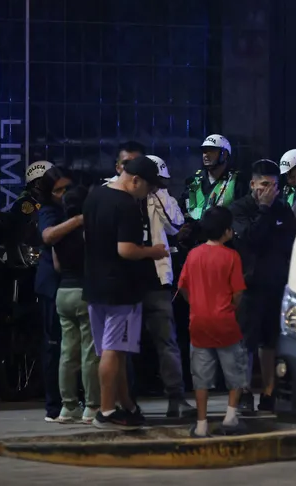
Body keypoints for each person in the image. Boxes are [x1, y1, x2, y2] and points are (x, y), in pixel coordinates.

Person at [106, 143, 195, 417]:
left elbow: (176, 225)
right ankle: (126, 401)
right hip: (123, 278)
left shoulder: (155, 193)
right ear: (118, 167)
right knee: (123, 345)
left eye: (139, 163)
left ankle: (176, 398)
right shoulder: (109, 191)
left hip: (155, 278)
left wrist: (158, 192)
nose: (134, 169)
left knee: (166, 340)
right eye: (127, 163)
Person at [83, 156, 170, 429]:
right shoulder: (127, 206)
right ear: (136, 180)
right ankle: (106, 411)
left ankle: (126, 405)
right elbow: (126, 249)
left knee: (112, 351)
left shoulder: (94, 196)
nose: (148, 194)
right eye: (148, 188)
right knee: (113, 349)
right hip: (120, 289)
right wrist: (153, 252)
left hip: (94, 285)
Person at [230, 159, 296, 414]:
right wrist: (264, 210)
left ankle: (269, 392)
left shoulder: (283, 209)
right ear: (252, 184)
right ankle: (244, 391)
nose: (270, 191)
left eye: (275, 186)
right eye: (265, 185)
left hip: (276, 285)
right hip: (249, 286)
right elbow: (250, 240)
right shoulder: (240, 209)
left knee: (270, 342)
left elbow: (289, 244)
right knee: (246, 342)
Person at [177, 206, 248, 438]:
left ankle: (201, 424)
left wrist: (197, 304)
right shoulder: (232, 256)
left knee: (201, 377)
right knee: (234, 372)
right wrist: (231, 307)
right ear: (227, 231)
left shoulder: (193, 254)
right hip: (225, 322)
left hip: (198, 323)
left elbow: (183, 288)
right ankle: (230, 417)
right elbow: (238, 292)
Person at [52, 184, 100, 424]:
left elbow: (57, 266)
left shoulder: (58, 233)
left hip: (63, 292)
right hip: (84, 292)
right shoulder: (89, 230)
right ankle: (91, 407)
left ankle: (67, 406)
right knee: (89, 353)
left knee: (67, 353)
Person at [35, 164, 75, 423]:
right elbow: (48, 236)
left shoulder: (74, 206)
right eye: (58, 190)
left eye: (67, 188)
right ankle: (54, 405)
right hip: (53, 286)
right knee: (55, 348)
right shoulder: (49, 211)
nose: (63, 194)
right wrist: (78, 221)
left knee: (73, 349)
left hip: (73, 284)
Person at [178, 134, 250, 247]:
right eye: (204, 151)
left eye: (211, 151)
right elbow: (182, 209)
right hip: (194, 244)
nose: (206, 155)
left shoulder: (238, 182)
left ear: (224, 154)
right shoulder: (193, 181)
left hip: (224, 244)